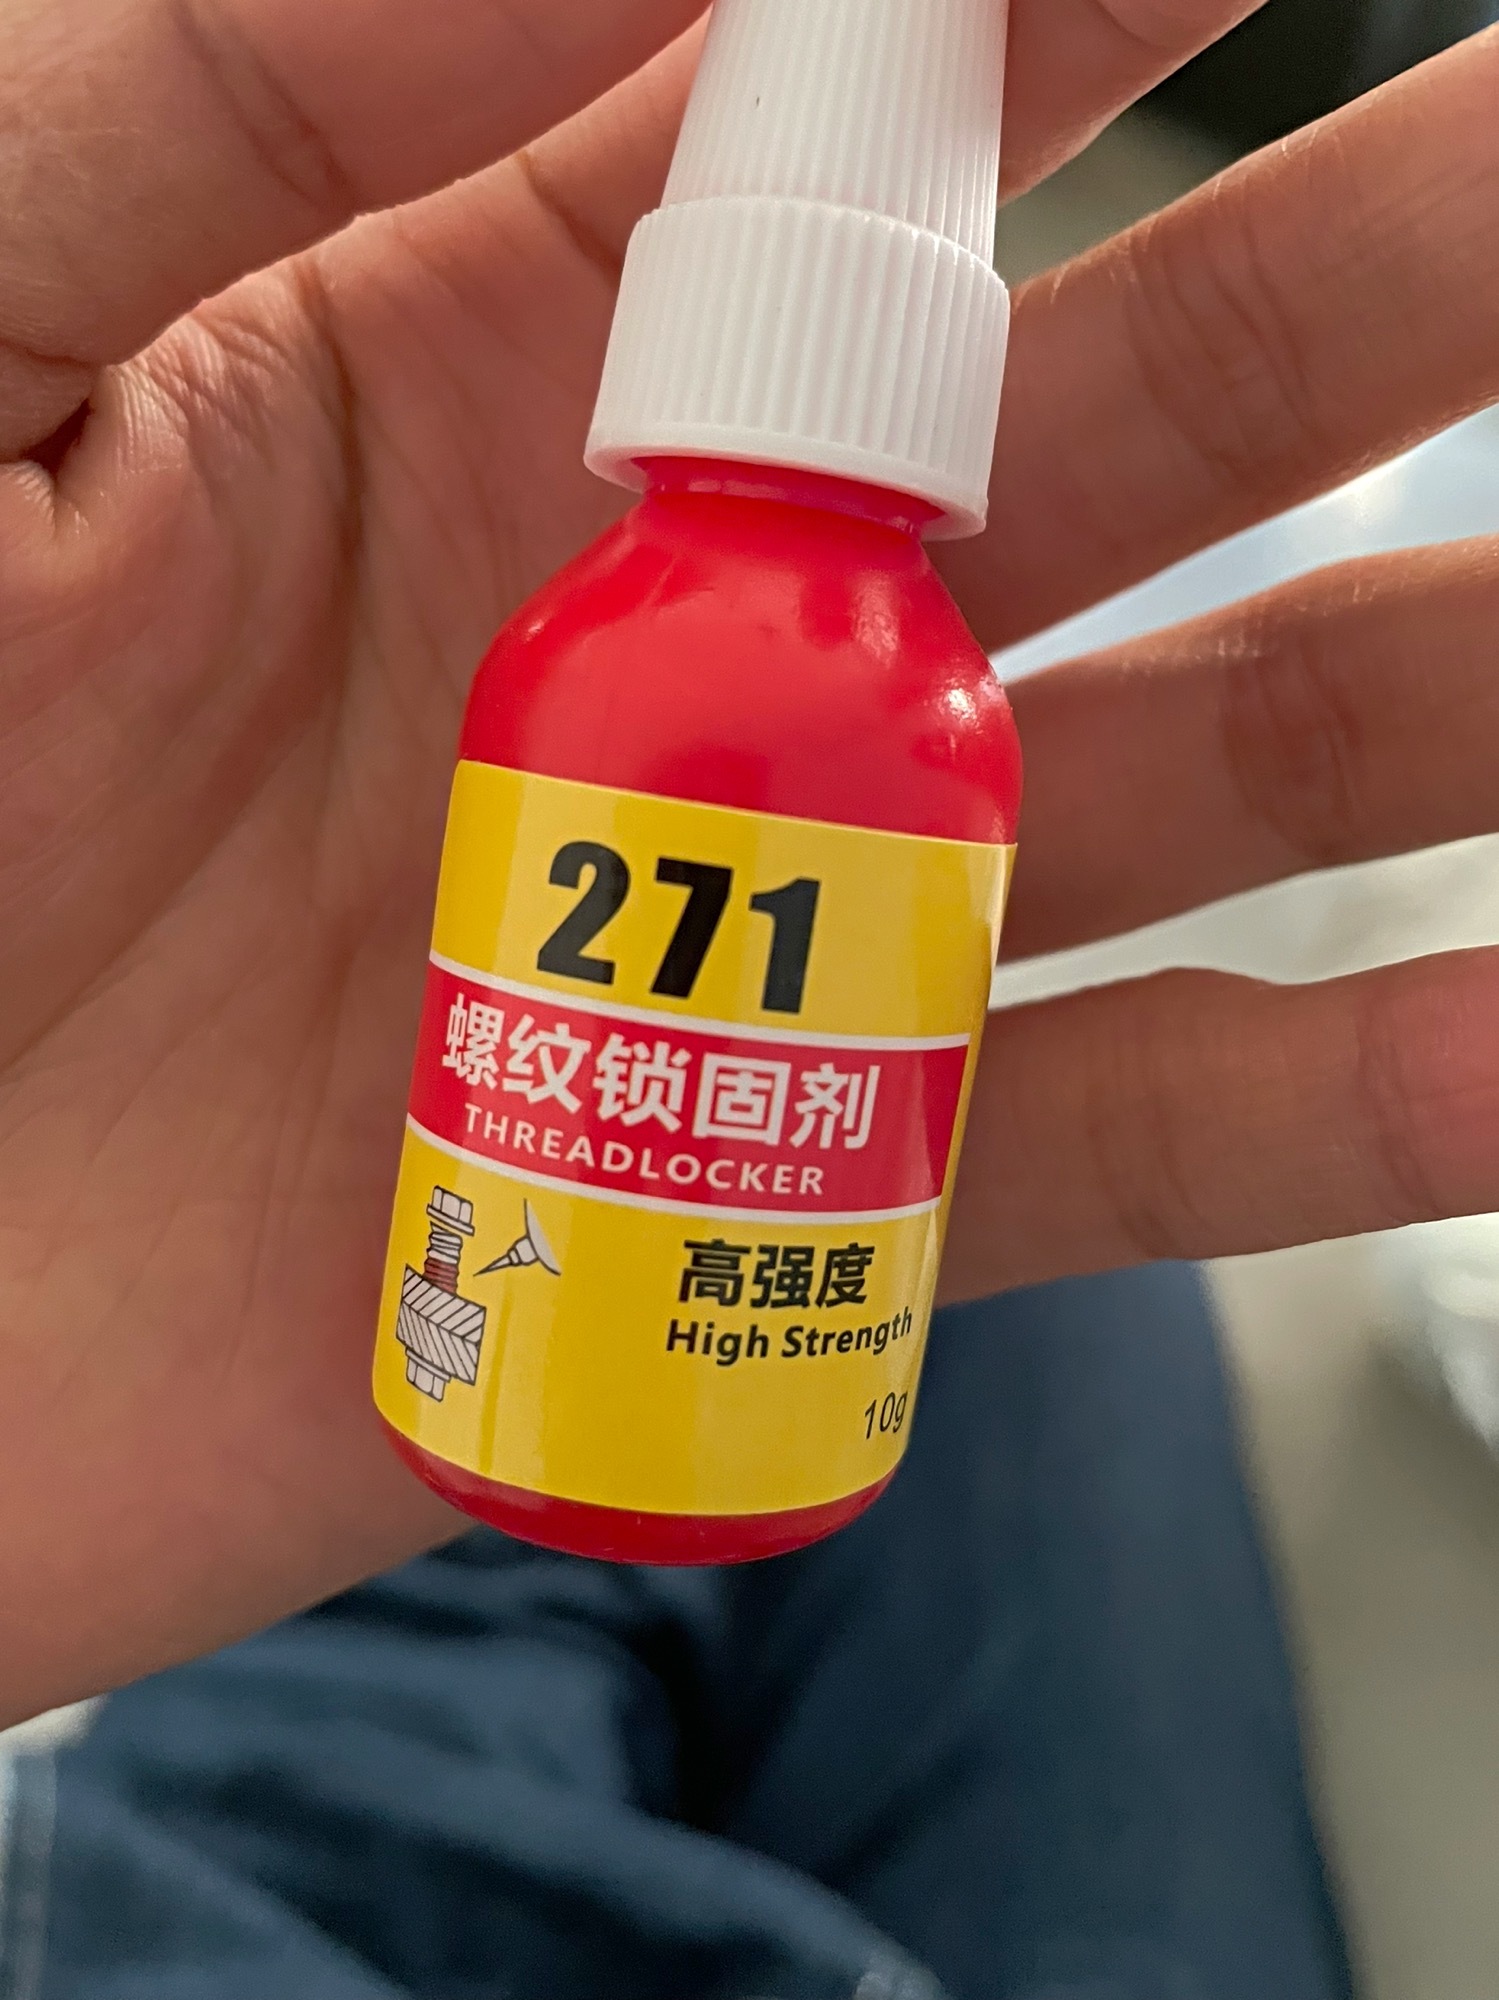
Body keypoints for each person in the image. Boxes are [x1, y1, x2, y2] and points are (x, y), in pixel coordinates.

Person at [0, 1, 1495, 1991]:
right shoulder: (637, 656)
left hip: (202, 1812)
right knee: (1076, 1339)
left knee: (1039, 1301)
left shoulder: (872, 703)